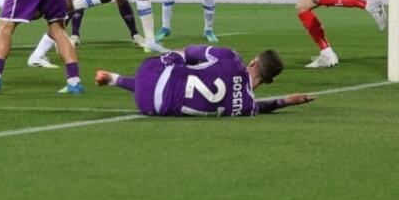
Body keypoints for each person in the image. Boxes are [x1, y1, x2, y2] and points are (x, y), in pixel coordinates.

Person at [95, 45, 314, 117]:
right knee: (180, 85)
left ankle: (115, 78)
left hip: (149, 72)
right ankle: (114, 79)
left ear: (254, 61)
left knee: (182, 59)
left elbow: (191, 51)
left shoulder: (231, 57)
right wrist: (286, 101)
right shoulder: (246, 107)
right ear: (269, 81)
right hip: (151, 106)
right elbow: (263, 106)